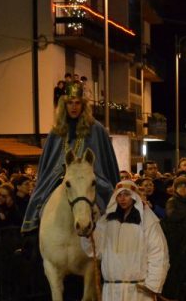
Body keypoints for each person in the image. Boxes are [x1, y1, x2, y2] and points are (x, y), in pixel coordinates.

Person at [80, 180, 169, 301]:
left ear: (134, 197)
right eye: (119, 195)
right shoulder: (106, 222)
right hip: (114, 286)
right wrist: (87, 235)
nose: (122, 199)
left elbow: (158, 252)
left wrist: (153, 282)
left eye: (127, 195)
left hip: (138, 286)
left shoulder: (147, 220)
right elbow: (96, 250)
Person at [21, 82, 119, 234]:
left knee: (109, 199)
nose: (74, 107)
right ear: (64, 105)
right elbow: (48, 163)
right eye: (70, 103)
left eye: (78, 103)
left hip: (90, 177)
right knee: (38, 199)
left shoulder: (96, 129)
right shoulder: (56, 132)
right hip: (59, 177)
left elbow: (106, 161)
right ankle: (34, 235)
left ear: (83, 105)